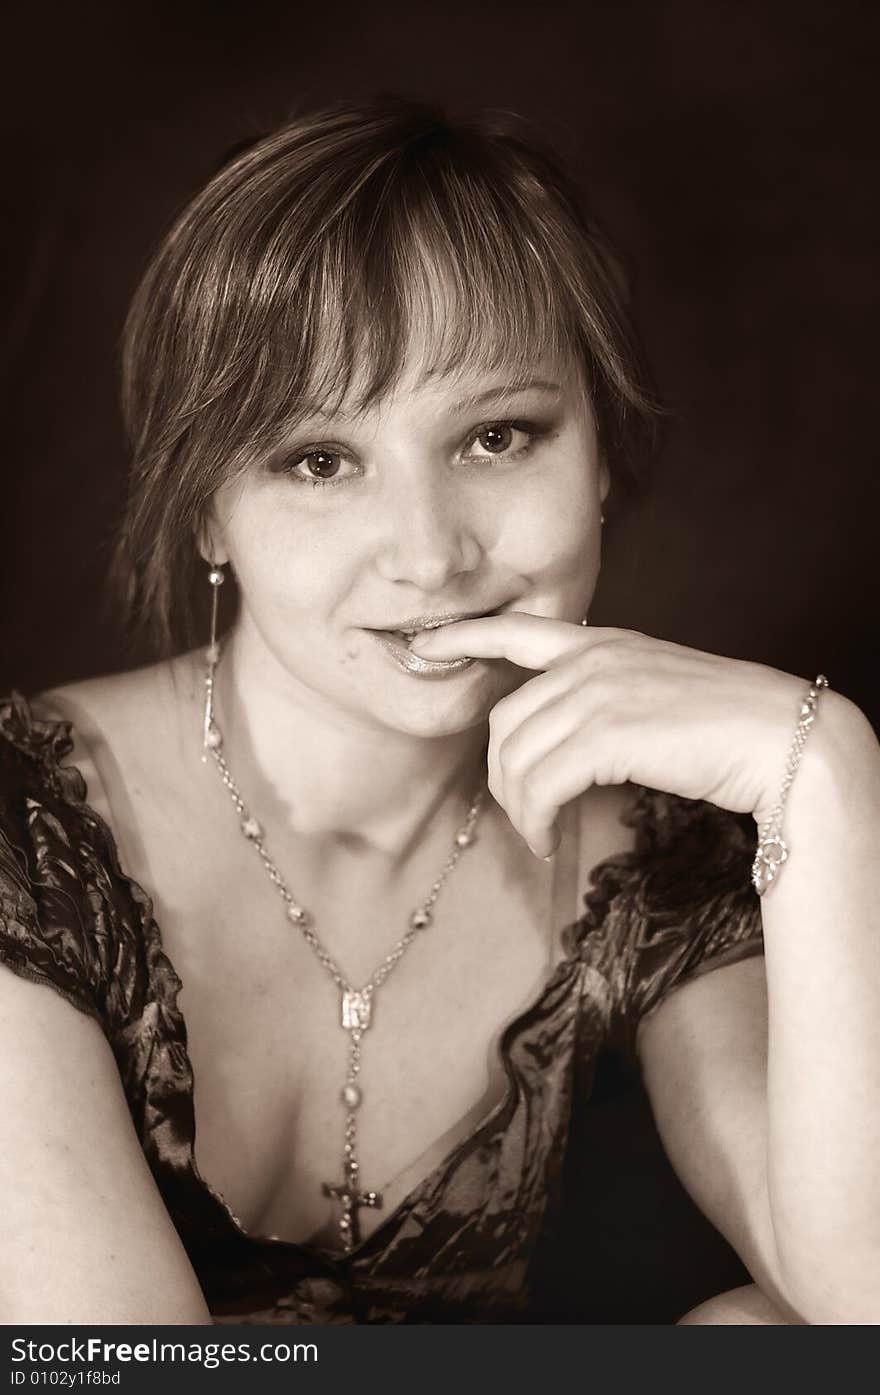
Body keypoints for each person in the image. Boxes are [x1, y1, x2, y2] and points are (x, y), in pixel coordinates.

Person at [1, 95, 878, 1327]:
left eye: (497, 437)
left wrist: (826, 773)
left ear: (602, 456)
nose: (427, 556)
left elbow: (861, 1302)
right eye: (319, 460)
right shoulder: (27, 838)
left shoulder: (651, 856)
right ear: (204, 511)